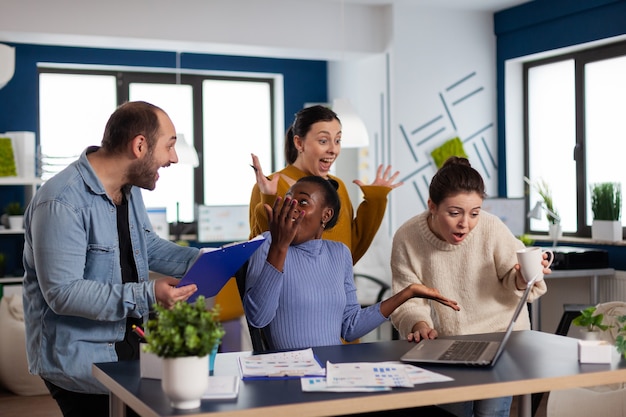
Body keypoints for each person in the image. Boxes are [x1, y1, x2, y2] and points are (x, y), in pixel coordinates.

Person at [22, 101, 200, 417]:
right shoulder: (60, 202)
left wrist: (207, 260)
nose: (173, 158)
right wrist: (149, 294)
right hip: (83, 364)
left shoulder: (128, 190)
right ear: (140, 145)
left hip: (130, 348)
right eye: (169, 146)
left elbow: (147, 246)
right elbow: (62, 293)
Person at [389, 156, 550, 417]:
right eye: (454, 213)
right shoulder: (407, 237)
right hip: (445, 345)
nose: (466, 223)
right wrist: (419, 325)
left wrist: (523, 278)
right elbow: (407, 297)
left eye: (474, 213)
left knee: (491, 413)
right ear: (432, 206)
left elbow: (515, 278)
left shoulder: (491, 227)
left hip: (500, 338)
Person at [243, 175, 460, 351]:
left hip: (334, 373)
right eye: (289, 201)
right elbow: (258, 318)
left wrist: (408, 293)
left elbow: (350, 326)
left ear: (325, 215)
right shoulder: (266, 244)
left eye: (303, 202)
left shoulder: (339, 254)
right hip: (287, 376)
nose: (292, 208)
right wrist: (279, 247)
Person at [249, 104, 403, 265]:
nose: (333, 149)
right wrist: (269, 198)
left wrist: (375, 200)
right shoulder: (269, 187)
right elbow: (262, 253)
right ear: (299, 143)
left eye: (337, 140)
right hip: (293, 289)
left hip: (335, 289)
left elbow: (350, 253)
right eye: (323, 141)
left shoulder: (337, 186)